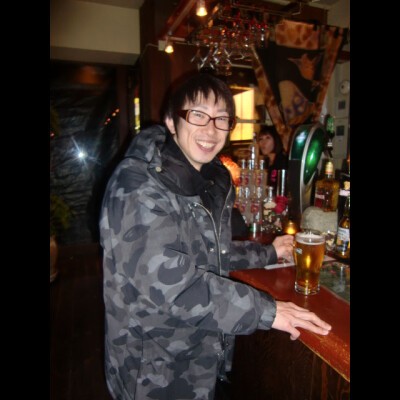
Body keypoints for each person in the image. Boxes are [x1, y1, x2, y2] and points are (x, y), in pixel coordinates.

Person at [99, 73, 331, 400]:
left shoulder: (205, 179)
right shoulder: (138, 186)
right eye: (198, 115)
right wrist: (268, 311)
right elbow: (173, 287)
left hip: (200, 354)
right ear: (171, 121)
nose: (211, 130)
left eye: (222, 119)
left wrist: (269, 252)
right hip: (153, 367)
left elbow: (209, 253)